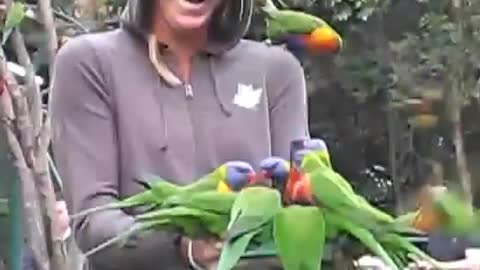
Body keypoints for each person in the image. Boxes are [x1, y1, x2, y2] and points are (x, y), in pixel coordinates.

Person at [49, 0, 309, 269]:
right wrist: (184, 250)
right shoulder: (89, 63)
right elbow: (94, 220)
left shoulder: (277, 72)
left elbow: (298, 207)